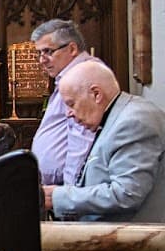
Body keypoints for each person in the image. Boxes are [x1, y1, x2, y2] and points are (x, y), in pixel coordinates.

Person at [44, 61, 165, 222]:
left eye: (71, 104)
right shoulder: (115, 117)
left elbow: (126, 194)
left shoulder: (134, 121)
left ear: (96, 94)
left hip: (131, 241)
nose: (68, 114)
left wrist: (57, 197)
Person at [29, 19, 101, 186]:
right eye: (39, 53)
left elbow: (82, 139)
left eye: (47, 51)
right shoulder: (69, 76)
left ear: (72, 48)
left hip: (65, 188)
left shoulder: (83, 76)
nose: (42, 60)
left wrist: (68, 194)